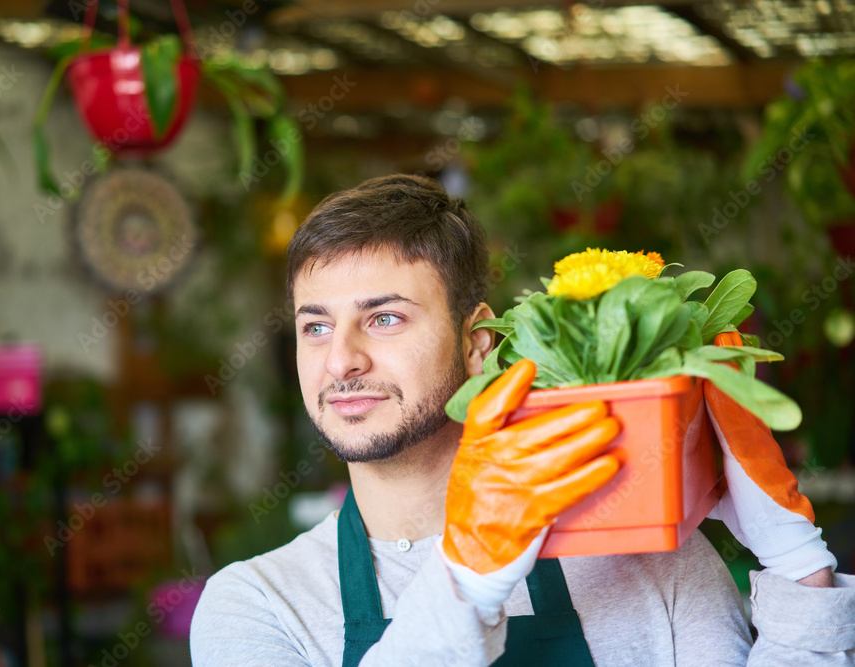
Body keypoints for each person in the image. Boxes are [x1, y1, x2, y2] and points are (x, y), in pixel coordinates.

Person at [191, 174, 854, 665]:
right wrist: (469, 575)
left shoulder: (651, 560)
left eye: (384, 317)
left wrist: (801, 568)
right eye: (315, 326)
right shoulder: (258, 602)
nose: (341, 360)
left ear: (477, 342)